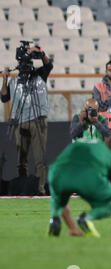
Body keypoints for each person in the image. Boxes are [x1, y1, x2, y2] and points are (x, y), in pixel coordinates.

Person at [47, 138, 111, 237]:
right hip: (89, 176)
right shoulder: (108, 155)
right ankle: (86, 218)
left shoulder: (74, 145)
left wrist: (72, 228)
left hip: (57, 173)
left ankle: (55, 219)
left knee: (59, 200)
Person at [1, 44, 53, 196]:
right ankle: (23, 188)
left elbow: (48, 64)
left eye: (29, 61)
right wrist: (4, 79)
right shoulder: (14, 81)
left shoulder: (40, 74)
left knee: (39, 158)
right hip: (20, 121)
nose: (26, 65)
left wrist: (40, 52)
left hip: (38, 120)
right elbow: (4, 98)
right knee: (21, 159)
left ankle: (40, 189)